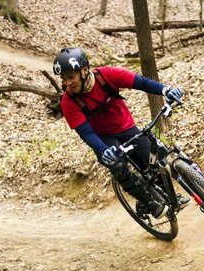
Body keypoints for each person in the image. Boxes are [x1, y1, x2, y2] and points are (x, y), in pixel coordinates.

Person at [53, 47, 186, 219]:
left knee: (152, 161)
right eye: (63, 79)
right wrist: (102, 150)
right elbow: (86, 133)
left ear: (84, 70)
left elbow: (141, 83)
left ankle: (169, 195)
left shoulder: (107, 75)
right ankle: (149, 203)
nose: (67, 83)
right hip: (103, 138)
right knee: (117, 165)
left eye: (70, 77)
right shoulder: (68, 102)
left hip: (126, 127)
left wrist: (164, 90)